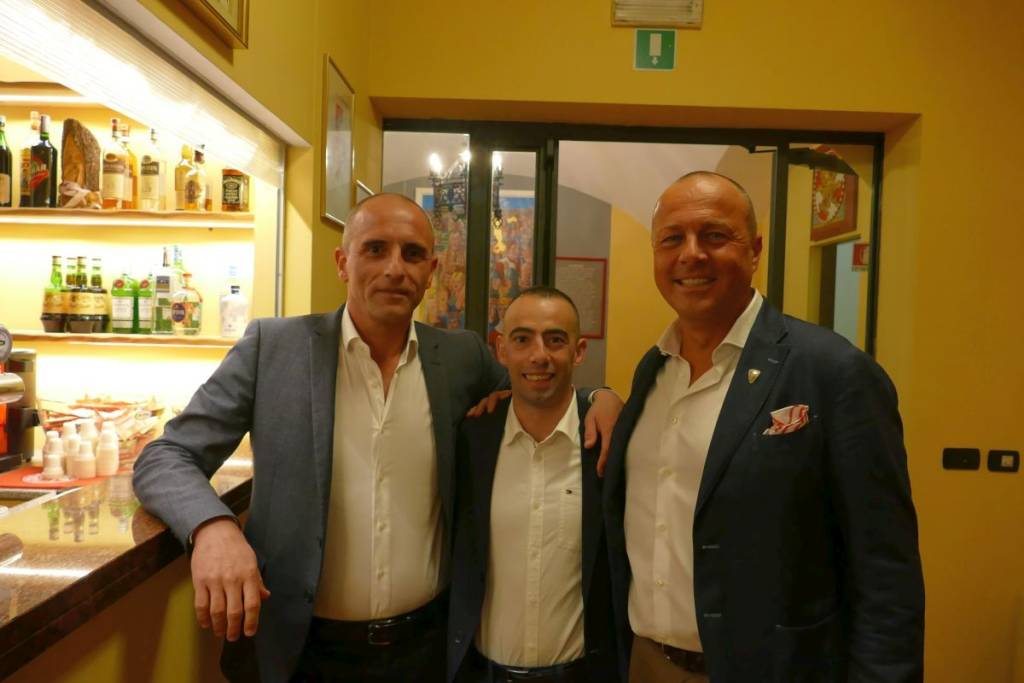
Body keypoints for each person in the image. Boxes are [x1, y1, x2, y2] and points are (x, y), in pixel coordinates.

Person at [132, 193, 622, 682]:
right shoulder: (274, 350)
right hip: (299, 650)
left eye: (412, 254)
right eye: (375, 249)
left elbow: (538, 389)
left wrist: (599, 396)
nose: (394, 268)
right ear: (343, 262)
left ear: (431, 271)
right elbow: (165, 456)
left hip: (425, 653)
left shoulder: (461, 359)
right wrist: (213, 528)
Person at [601, 172, 925, 682]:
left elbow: (885, 572)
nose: (691, 254)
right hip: (646, 664)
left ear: (754, 251)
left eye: (714, 235)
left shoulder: (833, 372)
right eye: (672, 238)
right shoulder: (653, 372)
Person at [448, 286, 621, 683]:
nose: (538, 355)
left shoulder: (608, 447)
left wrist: (604, 396)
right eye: (522, 339)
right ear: (501, 349)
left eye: (555, 340)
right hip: (482, 673)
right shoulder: (472, 439)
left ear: (579, 351)